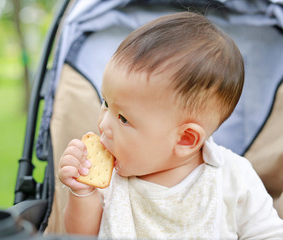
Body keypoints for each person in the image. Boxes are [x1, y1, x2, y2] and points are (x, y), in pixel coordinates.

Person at [58, 12, 283, 239]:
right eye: (106, 103)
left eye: (123, 118)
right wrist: (83, 193)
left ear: (185, 139)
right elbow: (83, 235)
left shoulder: (233, 177)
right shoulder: (113, 179)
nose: (103, 125)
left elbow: (268, 234)